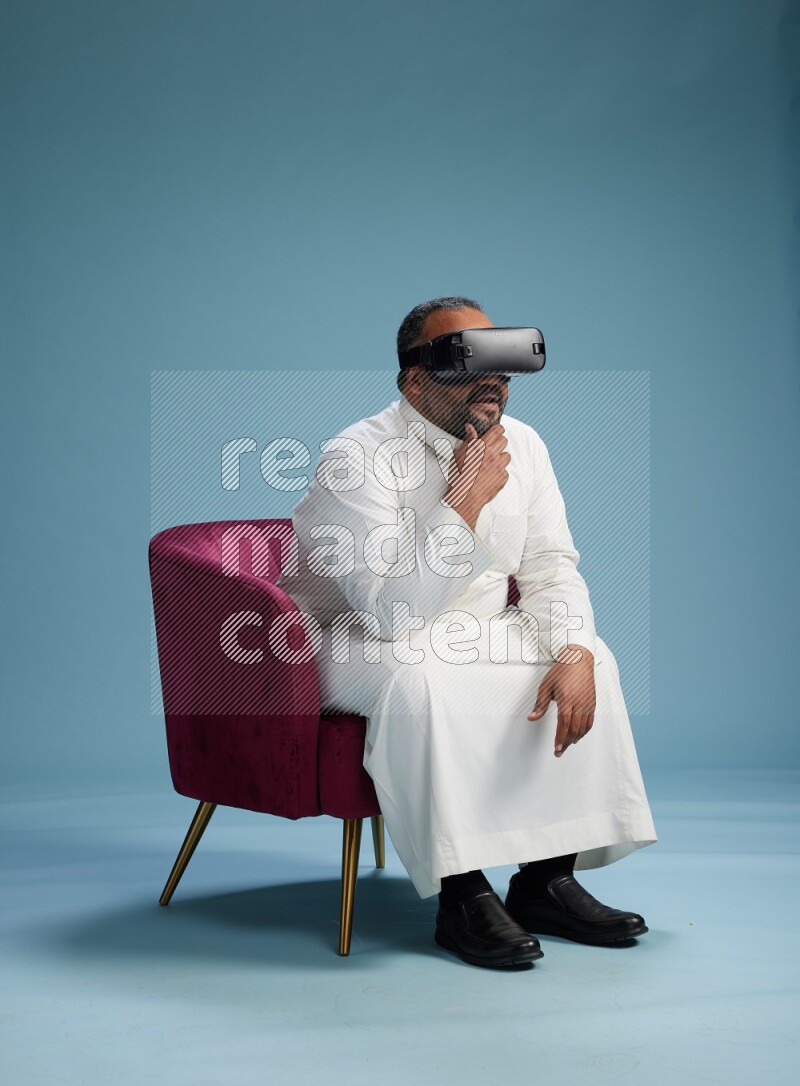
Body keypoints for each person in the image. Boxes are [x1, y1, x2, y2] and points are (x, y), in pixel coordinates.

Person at [279, 296, 657, 968]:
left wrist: (571, 648)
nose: (492, 379)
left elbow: (548, 568)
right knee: (425, 678)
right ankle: (462, 895)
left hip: (469, 625)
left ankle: (546, 880)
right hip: (351, 638)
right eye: (465, 362)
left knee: (592, 652)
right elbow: (394, 615)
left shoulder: (529, 447)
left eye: (501, 362)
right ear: (413, 380)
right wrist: (463, 503)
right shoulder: (356, 456)